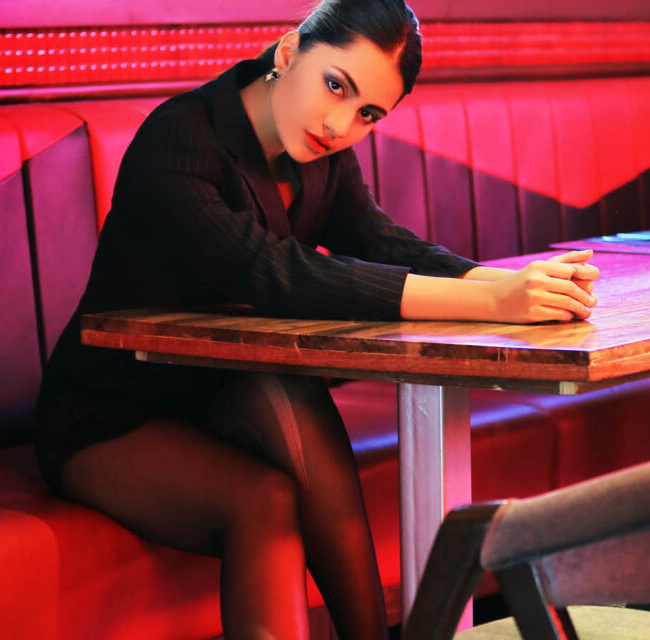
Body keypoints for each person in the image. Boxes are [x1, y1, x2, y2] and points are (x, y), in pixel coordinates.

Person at [35, 1, 600, 638]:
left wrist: (517, 284)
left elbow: (381, 241)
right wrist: (495, 304)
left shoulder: (319, 153)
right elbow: (276, 274)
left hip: (217, 394)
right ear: (288, 52)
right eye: (336, 85)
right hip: (110, 413)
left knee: (288, 391)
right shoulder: (180, 137)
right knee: (263, 498)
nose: (340, 124)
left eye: (368, 115)